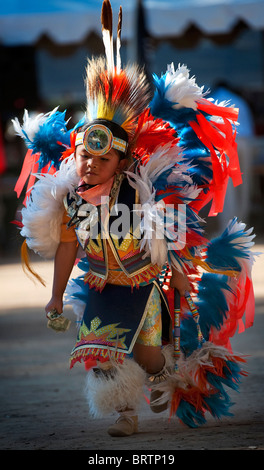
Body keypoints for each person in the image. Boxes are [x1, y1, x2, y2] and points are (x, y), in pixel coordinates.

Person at [13, 0, 255, 437]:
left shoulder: (141, 196)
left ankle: (164, 372)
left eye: (101, 159)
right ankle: (125, 414)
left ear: (121, 161)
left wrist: (179, 275)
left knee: (147, 358)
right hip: (100, 286)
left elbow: (168, 238)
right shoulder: (71, 200)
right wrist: (54, 296)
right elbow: (69, 245)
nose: (89, 165)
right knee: (102, 355)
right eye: (84, 155)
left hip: (142, 286)